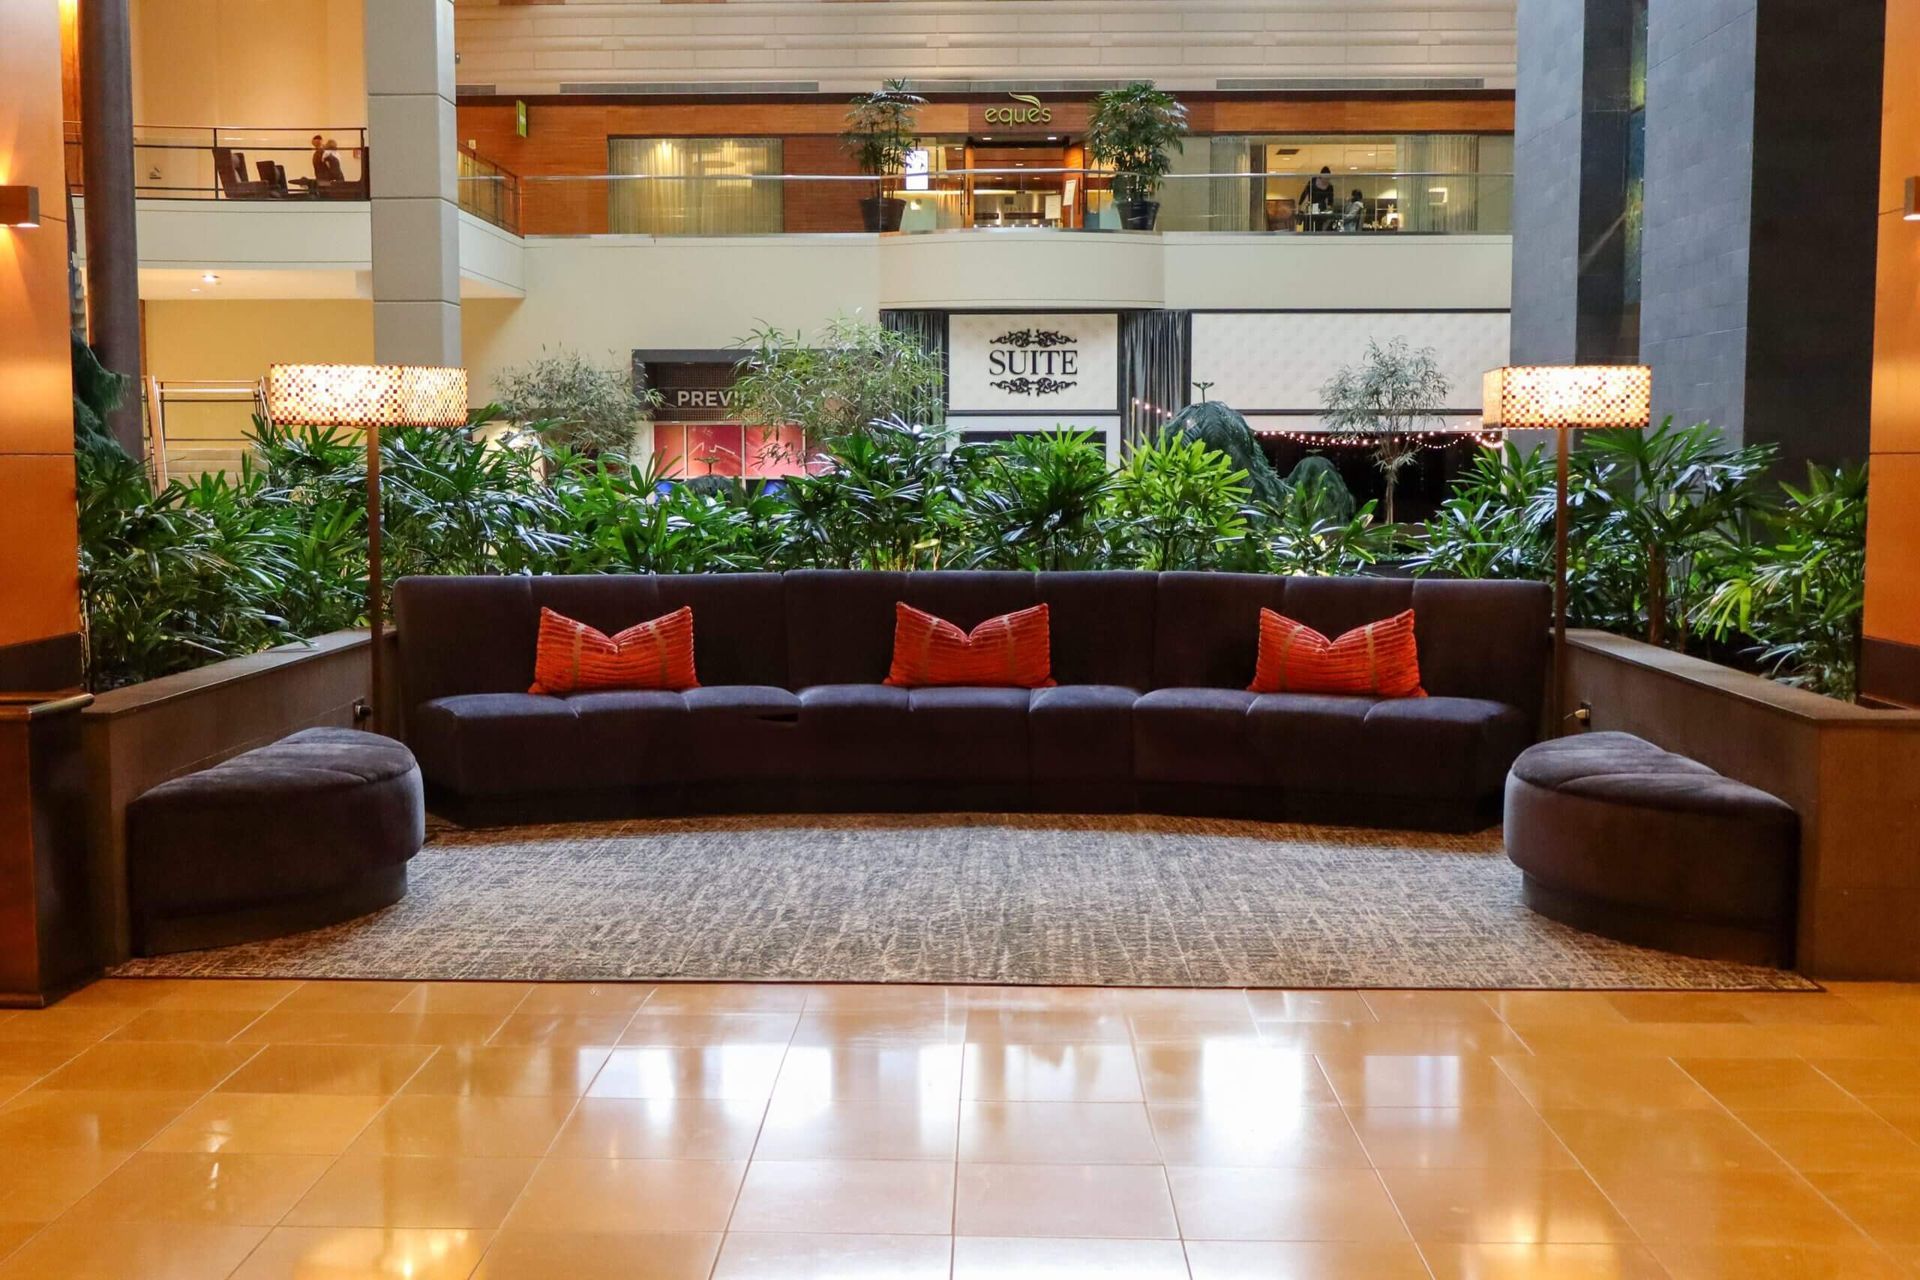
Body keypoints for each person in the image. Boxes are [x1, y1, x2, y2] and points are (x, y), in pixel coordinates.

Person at [1298, 165, 1337, 231]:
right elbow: (1304, 193)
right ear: (1321, 176)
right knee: (1308, 225)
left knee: (1319, 227)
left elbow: (1330, 201)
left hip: (1322, 209)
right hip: (1312, 207)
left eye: (1328, 179)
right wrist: (1299, 204)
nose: (1326, 180)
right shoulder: (1312, 182)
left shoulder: (1330, 187)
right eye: (1325, 178)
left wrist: (1329, 210)